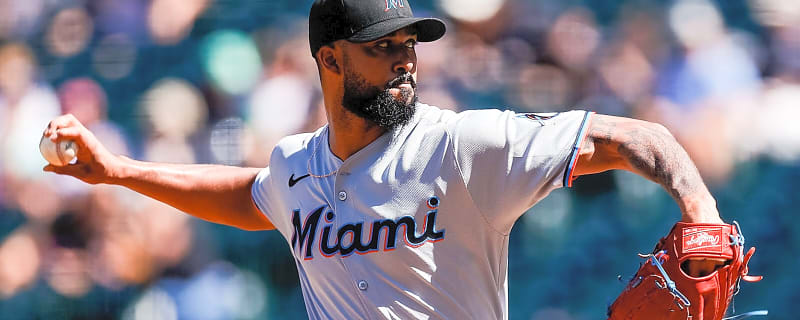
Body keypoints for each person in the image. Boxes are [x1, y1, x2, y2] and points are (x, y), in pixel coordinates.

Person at [43, 0, 726, 318]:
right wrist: (118, 173)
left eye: (409, 43)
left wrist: (699, 208)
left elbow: (639, 138)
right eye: (383, 45)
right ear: (331, 60)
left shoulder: (462, 146)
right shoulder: (295, 167)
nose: (405, 57)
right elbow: (247, 195)